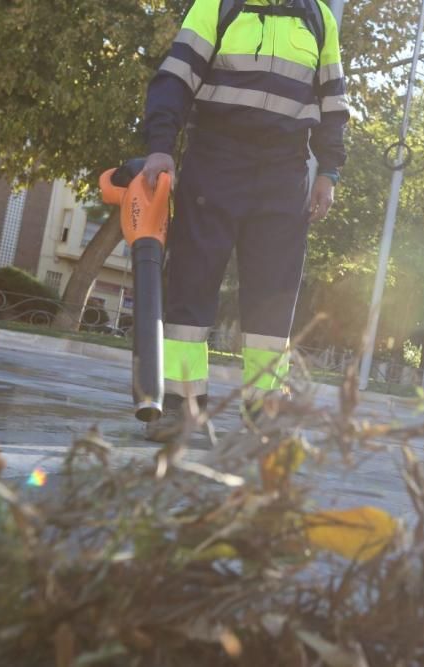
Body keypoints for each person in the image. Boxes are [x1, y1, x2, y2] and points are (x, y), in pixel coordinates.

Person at [141, 0, 348, 440]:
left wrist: (328, 171)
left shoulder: (319, 18)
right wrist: (160, 144)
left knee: (274, 297)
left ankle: (265, 411)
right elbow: (174, 80)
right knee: (191, 284)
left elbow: (333, 105)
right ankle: (182, 405)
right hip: (215, 159)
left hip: (284, 171)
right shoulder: (216, 6)